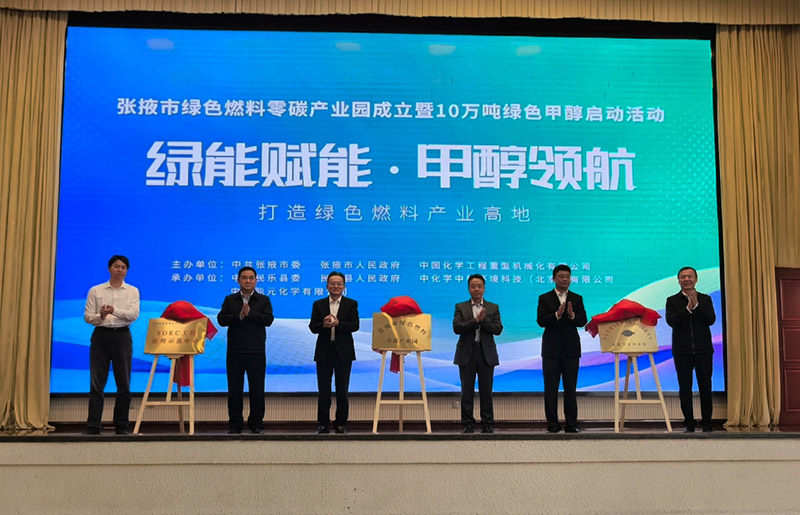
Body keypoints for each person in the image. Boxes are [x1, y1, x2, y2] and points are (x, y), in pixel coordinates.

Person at [83, 255, 140, 435]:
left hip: (122, 336)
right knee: (97, 383)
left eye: (123, 267)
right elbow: (87, 317)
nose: (119, 270)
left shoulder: (132, 291)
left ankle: (121, 426)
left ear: (127, 271)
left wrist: (114, 311)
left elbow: (133, 315)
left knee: (124, 384)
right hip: (101, 336)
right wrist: (100, 316)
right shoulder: (96, 290)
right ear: (109, 268)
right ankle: (93, 426)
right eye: (116, 266)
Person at [217, 266, 274, 434]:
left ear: (256, 281)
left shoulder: (263, 300)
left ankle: (256, 423)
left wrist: (250, 314)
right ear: (238, 280)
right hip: (235, 352)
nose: (248, 281)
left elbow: (268, 320)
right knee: (234, 390)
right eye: (244, 278)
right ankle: (235, 424)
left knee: (257, 389)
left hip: (256, 352)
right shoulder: (230, 300)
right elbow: (221, 319)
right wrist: (239, 316)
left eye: (251, 278)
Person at [537, 264, 587, 433]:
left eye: (567, 276)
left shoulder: (577, 298)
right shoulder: (545, 298)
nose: (565, 279)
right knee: (551, 389)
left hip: (571, 350)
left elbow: (582, 320)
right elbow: (541, 321)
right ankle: (552, 424)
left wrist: (572, 315)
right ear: (554, 278)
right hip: (551, 350)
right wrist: (557, 315)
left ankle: (571, 423)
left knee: (570, 388)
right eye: (561, 276)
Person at [665, 266, 716, 433]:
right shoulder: (672, 300)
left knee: (705, 387)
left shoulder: (705, 299)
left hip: (703, 350)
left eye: (690, 276)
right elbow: (671, 321)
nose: (686, 279)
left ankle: (707, 423)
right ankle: (689, 423)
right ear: (678, 280)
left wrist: (697, 306)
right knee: (685, 388)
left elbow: (711, 320)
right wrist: (687, 308)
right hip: (682, 351)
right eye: (683, 277)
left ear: (696, 279)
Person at [309, 271, 360, 434]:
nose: (336, 286)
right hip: (324, 351)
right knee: (324, 390)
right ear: (327, 286)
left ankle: (340, 423)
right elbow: (312, 327)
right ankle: (323, 423)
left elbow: (355, 326)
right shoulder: (318, 304)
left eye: (339, 284)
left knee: (342, 389)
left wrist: (338, 323)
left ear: (344, 286)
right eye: (333, 283)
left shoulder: (351, 304)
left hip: (343, 352)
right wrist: (323, 325)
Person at [453, 274, 503, 433]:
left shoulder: (493, 307)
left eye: (479, 286)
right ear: (469, 289)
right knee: (466, 391)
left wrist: (484, 320)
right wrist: (475, 321)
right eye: (473, 286)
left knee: (486, 391)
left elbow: (498, 329)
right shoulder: (461, 307)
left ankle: (487, 424)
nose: (476, 289)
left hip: (486, 353)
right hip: (466, 353)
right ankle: (468, 424)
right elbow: (457, 328)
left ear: (484, 288)